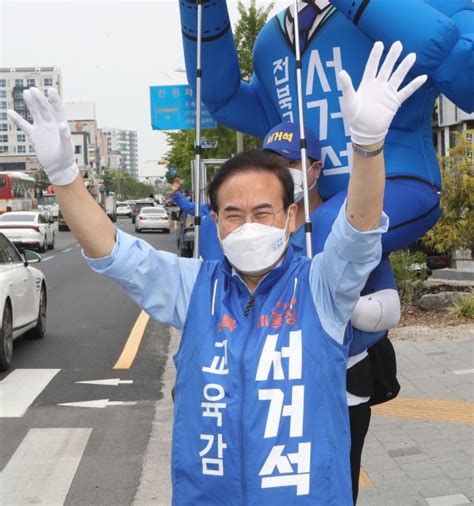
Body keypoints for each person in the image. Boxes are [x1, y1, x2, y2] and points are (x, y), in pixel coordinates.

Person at [9, 42, 426, 504]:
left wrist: (367, 147)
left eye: (263, 211)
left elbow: (360, 231)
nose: (248, 225)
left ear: (290, 218)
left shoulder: (321, 287)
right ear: (216, 222)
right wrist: (66, 175)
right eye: (233, 213)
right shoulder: (193, 289)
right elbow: (116, 252)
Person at [179, 0, 474, 253]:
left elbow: (466, 78)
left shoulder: (430, 4)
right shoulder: (272, 39)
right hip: (312, 197)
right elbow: (226, 102)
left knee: (317, 239)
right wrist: (202, 11)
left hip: (398, 180)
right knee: (224, 236)